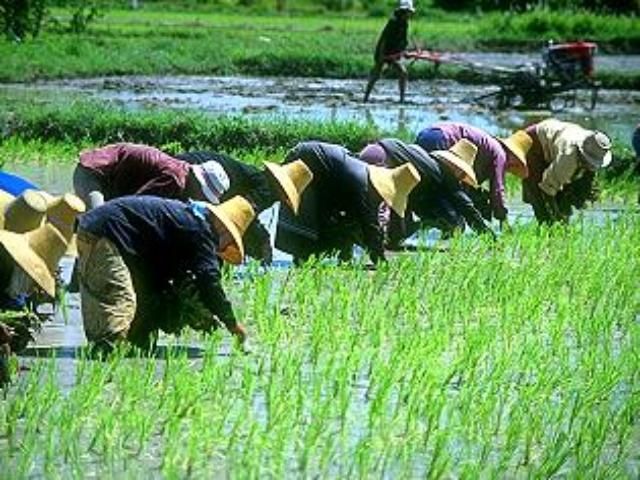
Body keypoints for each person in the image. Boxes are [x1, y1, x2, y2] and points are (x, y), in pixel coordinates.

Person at [75, 195, 260, 353]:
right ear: (222, 227)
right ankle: (106, 354)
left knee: (144, 323)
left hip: (104, 231)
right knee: (119, 300)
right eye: (229, 241)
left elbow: (165, 281)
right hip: (104, 233)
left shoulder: (186, 222)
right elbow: (209, 282)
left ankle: (127, 343)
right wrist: (233, 326)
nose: (225, 247)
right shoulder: (200, 230)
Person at [272, 141, 420, 265]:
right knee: (308, 221)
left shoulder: (366, 182)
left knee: (342, 221)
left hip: (324, 177)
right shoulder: (362, 184)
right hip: (307, 163)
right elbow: (369, 224)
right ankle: (305, 258)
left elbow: (369, 223)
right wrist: (380, 260)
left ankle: (337, 256)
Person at [360, 139, 495, 246]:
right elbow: (466, 207)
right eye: (462, 174)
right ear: (456, 167)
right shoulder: (445, 174)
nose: (460, 179)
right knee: (380, 211)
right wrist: (488, 236)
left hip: (369, 152)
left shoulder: (423, 158)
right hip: (384, 162)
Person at [415, 121, 532, 228]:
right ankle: (431, 225)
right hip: (441, 138)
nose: (511, 167)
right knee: (444, 192)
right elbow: (497, 189)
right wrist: (502, 218)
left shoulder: (488, 150)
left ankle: (425, 224)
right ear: (510, 152)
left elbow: (465, 183)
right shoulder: (500, 154)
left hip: (426, 134)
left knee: (428, 188)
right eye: (515, 161)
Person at [175, 150, 280, 264]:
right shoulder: (265, 189)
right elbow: (242, 216)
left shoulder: (253, 176)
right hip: (195, 180)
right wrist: (263, 240)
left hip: (184, 166)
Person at [73, 142, 230, 209]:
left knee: (94, 228)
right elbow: (134, 207)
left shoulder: (181, 173)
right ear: (198, 185)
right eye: (203, 196)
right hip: (94, 173)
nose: (200, 200)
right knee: (99, 225)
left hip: (108, 181)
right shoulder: (175, 179)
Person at [520, 119, 612, 224]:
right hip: (535, 141)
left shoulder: (594, 146)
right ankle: (548, 228)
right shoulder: (567, 158)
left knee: (564, 194)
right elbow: (545, 189)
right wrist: (556, 217)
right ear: (583, 156)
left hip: (556, 139)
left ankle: (560, 224)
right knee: (538, 195)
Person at [363, 0, 415, 104]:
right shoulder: (393, 22)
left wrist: (405, 52)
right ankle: (366, 98)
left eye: (409, 12)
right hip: (384, 51)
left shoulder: (405, 23)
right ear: (402, 11)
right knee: (376, 74)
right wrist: (381, 56)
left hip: (395, 53)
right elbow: (384, 40)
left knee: (403, 73)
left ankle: (402, 99)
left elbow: (403, 40)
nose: (409, 14)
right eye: (407, 11)